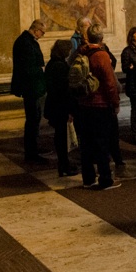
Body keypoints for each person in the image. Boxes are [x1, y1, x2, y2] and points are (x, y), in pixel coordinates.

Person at [76, 25, 121, 189]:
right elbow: (110, 83)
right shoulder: (102, 55)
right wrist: (115, 103)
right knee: (102, 142)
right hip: (100, 104)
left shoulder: (82, 52)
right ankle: (105, 179)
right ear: (101, 38)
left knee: (86, 143)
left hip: (84, 103)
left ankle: (88, 179)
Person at [10, 19, 48, 164]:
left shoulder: (26, 41)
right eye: (42, 32)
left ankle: (33, 149)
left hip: (32, 86)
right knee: (33, 119)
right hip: (30, 87)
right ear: (36, 29)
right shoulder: (25, 43)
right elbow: (29, 67)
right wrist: (41, 73)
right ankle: (31, 153)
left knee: (35, 118)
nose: (42, 35)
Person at [44, 39, 79, 177]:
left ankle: (63, 164)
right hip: (60, 106)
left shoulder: (52, 63)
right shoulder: (61, 66)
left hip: (53, 104)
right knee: (62, 138)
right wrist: (70, 110)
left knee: (60, 136)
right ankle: (64, 165)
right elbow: (65, 90)